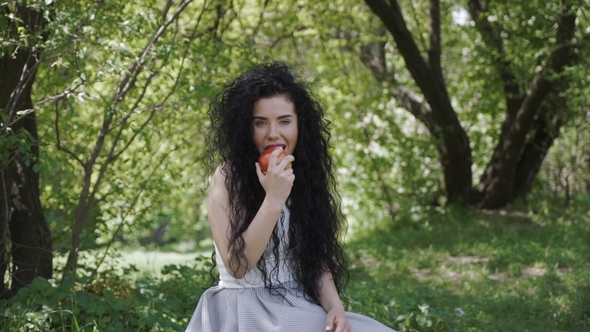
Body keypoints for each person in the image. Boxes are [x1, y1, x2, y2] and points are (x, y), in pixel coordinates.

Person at [186, 62, 396, 332]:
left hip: (297, 303)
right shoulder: (228, 176)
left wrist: (335, 307)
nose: (274, 132)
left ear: (300, 125)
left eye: (284, 121)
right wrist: (273, 199)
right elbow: (238, 266)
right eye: (261, 123)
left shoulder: (302, 175)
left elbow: (314, 259)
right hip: (246, 311)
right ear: (245, 129)